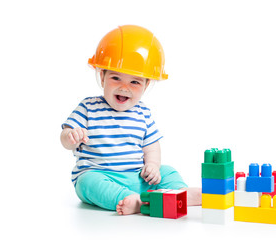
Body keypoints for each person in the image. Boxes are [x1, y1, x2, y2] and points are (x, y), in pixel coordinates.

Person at [60, 25, 201, 215]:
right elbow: (65, 136)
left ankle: (178, 193)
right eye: (116, 78)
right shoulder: (88, 107)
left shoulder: (143, 113)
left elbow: (151, 146)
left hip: (137, 177)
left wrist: (152, 166)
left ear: (146, 84)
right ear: (102, 76)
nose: (124, 87)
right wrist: (70, 136)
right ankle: (130, 199)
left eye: (134, 82)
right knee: (86, 183)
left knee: (167, 171)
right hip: (100, 175)